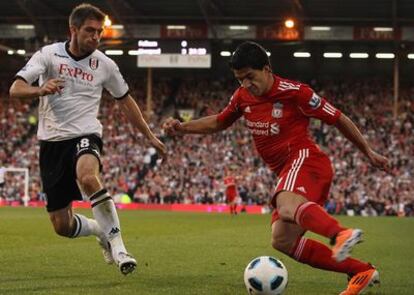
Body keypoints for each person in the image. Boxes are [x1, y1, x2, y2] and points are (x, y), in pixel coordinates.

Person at [163, 41, 389, 294]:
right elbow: (218, 122)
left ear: (267, 69)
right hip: (288, 172)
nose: (246, 84)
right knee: (283, 240)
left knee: (286, 205)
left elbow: (338, 118)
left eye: (250, 76)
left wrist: (368, 151)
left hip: (307, 160)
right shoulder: (242, 97)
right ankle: (361, 271)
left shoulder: (296, 92)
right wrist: (183, 128)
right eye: (240, 79)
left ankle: (340, 234)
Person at [9, 3, 166, 275]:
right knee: (62, 226)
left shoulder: (105, 65)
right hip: (51, 143)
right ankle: (100, 231)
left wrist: (150, 136)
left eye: (99, 32)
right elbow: (16, 88)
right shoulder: (48, 55)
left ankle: (119, 248)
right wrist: (40, 90)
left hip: (85, 134)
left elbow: (126, 102)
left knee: (88, 177)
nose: (96, 37)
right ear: (73, 30)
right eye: (90, 31)